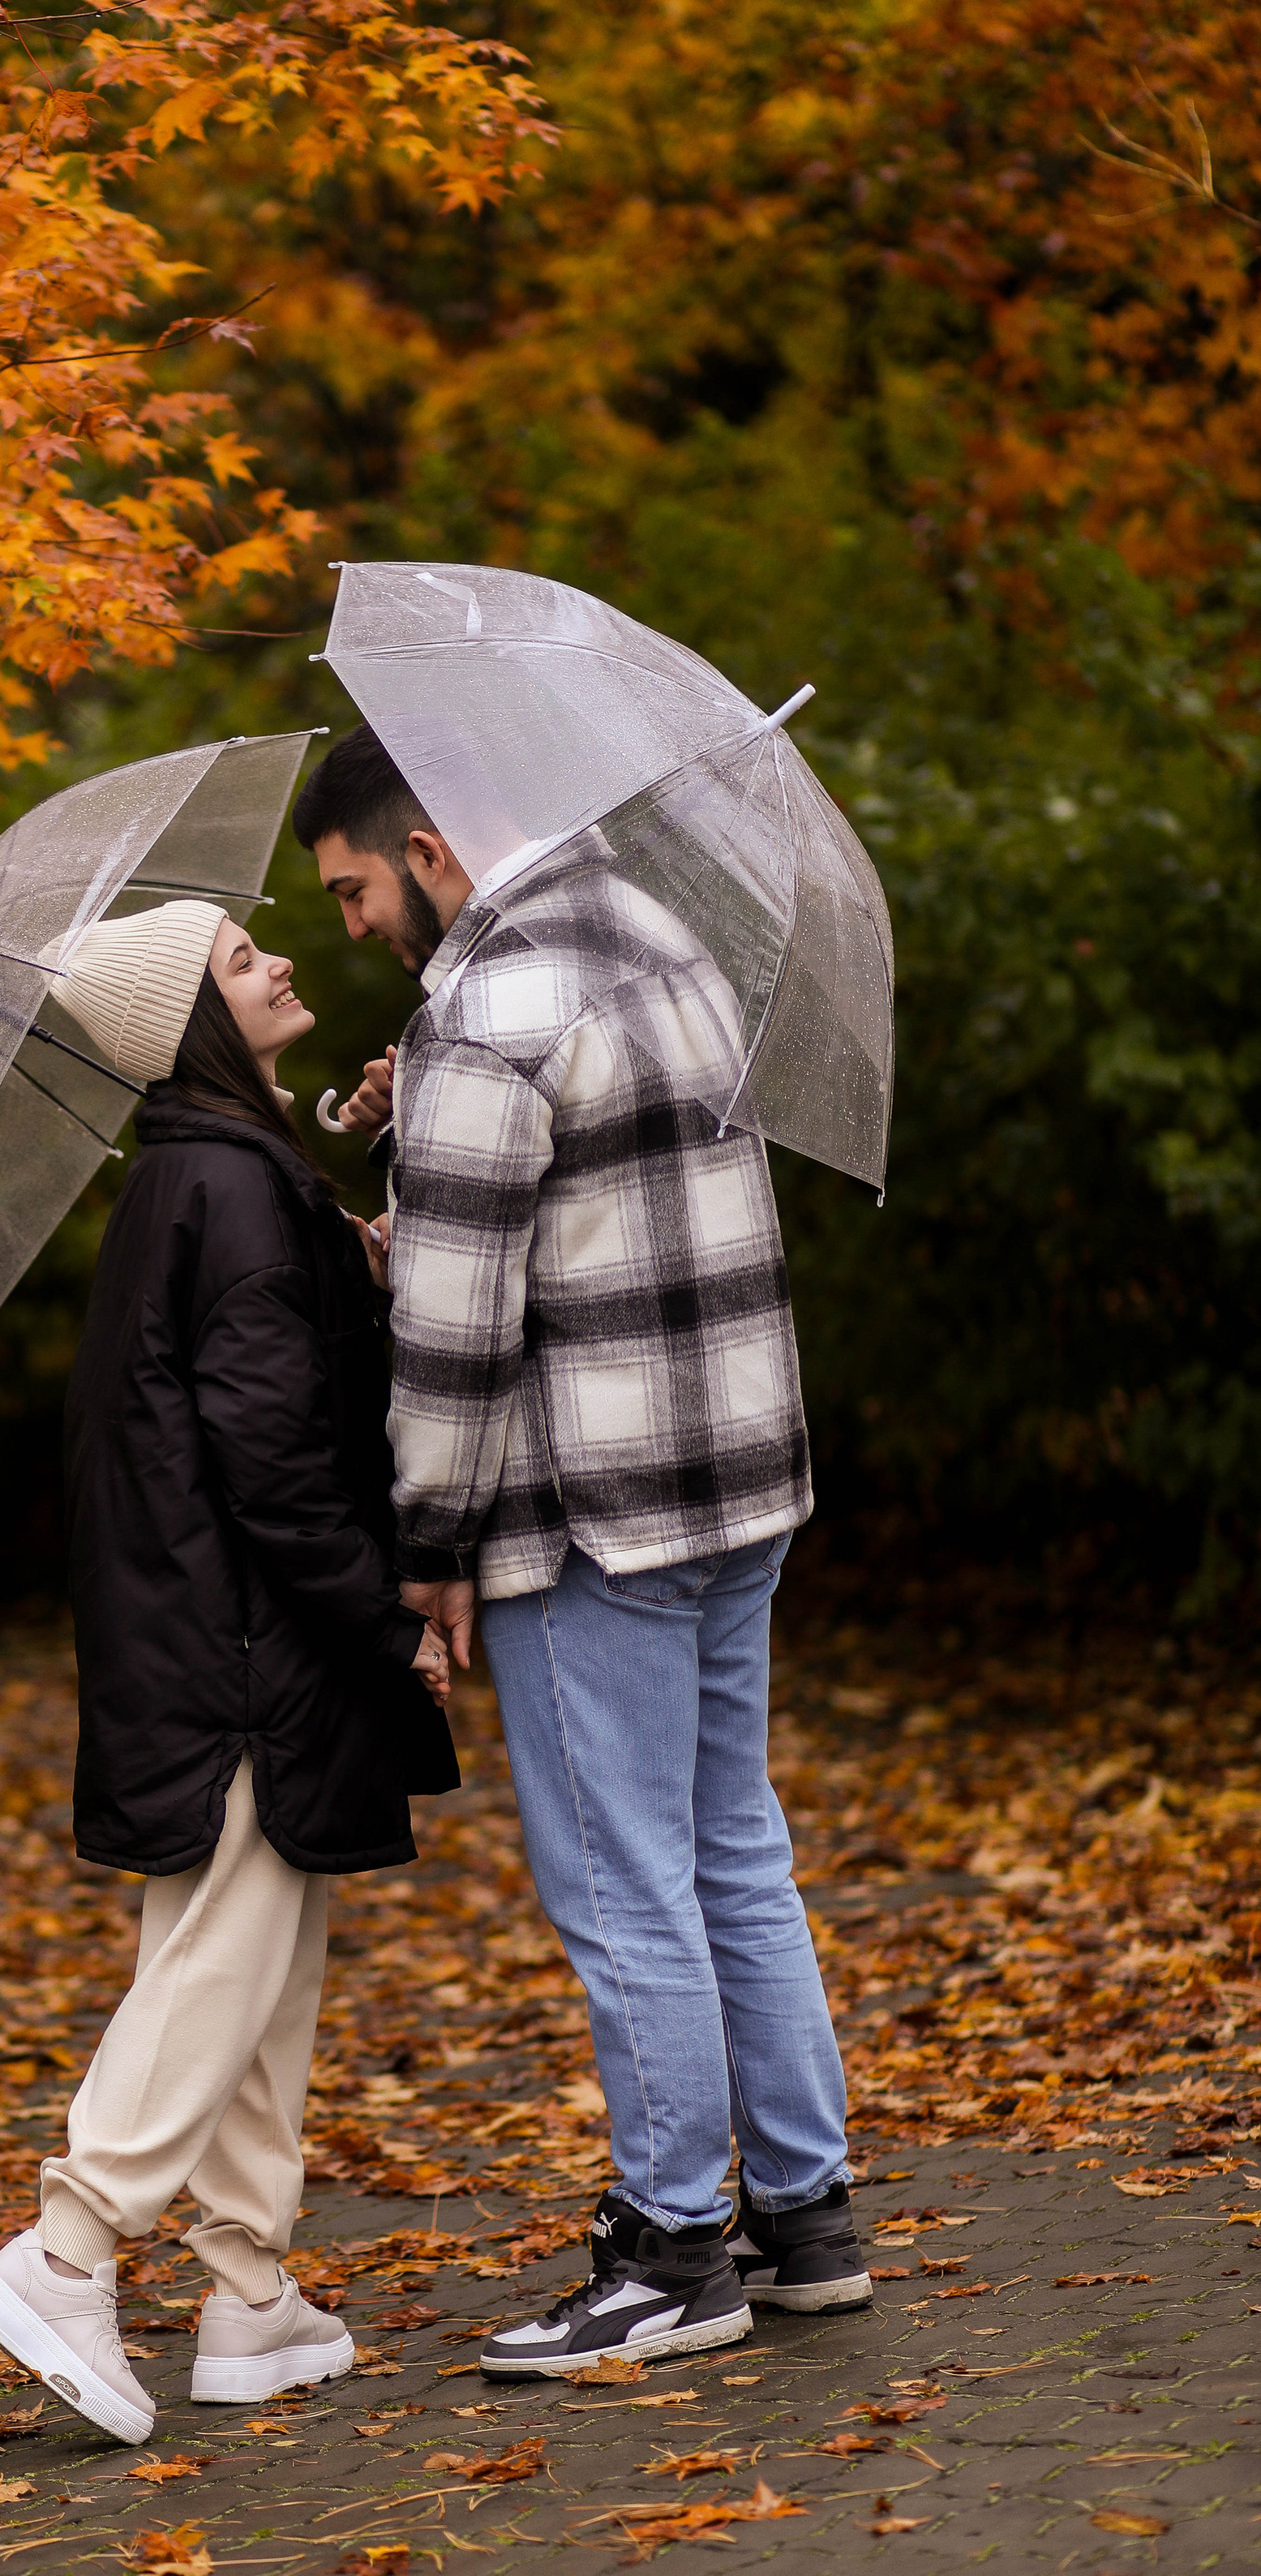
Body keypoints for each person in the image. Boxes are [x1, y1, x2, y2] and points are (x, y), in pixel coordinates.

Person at [293, 724, 869, 2371]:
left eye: (349, 890)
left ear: (428, 849)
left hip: (591, 1511)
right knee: (727, 1847)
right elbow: (597, 1198)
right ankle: (805, 2226)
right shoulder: (657, 937)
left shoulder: (485, 1010)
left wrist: (426, 1545)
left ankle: (672, 2254)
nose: (348, 928)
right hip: (737, 1482)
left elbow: (456, 1329)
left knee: (622, 1882)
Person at [0, 898, 458, 2442]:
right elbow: (276, 1455)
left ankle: (249, 2297)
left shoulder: (214, 1178)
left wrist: (351, 1242)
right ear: (190, 1020)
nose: (285, 961)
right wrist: (387, 1619)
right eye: (245, 961)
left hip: (202, 1630)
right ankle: (70, 2249)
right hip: (248, 1638)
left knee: (251, 1943)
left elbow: (256, 1379)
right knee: (236, 1940)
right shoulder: (228, 1192)